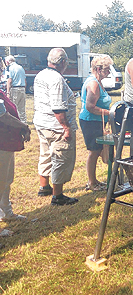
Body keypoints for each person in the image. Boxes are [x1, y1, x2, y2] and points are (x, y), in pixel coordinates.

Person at [33, 48, 78, 205]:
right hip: (55, 126)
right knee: (61, 157)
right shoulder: (56, 79)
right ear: (63, 62)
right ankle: (57, 195)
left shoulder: (41, 74)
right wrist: (66, 127)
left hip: (42, 122)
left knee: (45, 154)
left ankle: (44, 186)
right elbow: (58, 106)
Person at [79, 55, 113, 191]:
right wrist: (109, 113)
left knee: (98, 150)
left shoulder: (98, 82)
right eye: (107, 69)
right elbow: (90, 107)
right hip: (90, 121)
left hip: (97, 121)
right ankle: (92, 182)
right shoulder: (93, 83)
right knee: (94, 151)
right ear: (98, 69)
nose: (109, 72)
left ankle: (94, 181)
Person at [0, 89, 30, 226]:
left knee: (6, 180)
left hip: (6, 143)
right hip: (1, 143)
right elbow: (3, 116)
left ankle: (6, 212)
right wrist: (24, 126)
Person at [5, 56, 26, 123]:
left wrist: (8, 92)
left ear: (7, 62)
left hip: (15, 89)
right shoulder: (21, 67)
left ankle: (15, 123)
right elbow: (25, 80)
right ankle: (23, 123)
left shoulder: (9, 68)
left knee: (13, 108)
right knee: (21, 109)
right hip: (22, 88)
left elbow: (9, 80)